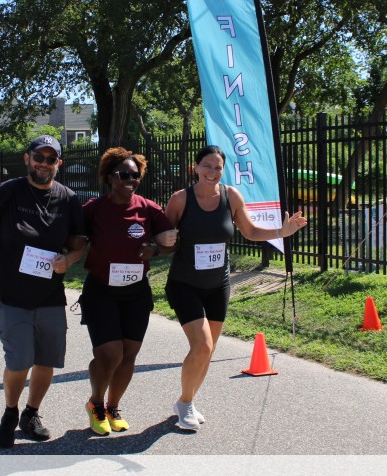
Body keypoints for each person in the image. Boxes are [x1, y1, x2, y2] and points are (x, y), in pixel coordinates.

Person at [164, 145, 307, 430]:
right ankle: (185, 402)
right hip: (184, 284)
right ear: (196, 167)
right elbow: (163, 238)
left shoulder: (231, 196)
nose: (212, 172)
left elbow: (250, 231)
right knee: (202, 345)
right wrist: (164, 240)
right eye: (207, 166)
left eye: (218, 167)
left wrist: (282, 232)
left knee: (209, 349)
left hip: (218, 285)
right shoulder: (180, 199)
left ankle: (188, 401)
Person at [0, 135, 86, 449]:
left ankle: (31, 413)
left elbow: (79, 243)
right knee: (19, 361)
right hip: (11, 294)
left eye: (50, 159)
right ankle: (10, 412)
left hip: (50, 295)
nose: (44, 164)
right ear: (27, 158)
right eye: (38, 157)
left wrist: (68, 260)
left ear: (59, 164)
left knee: (46, 360)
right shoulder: (8, 192)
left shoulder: (68, 198)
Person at [79, 147, 178, 435]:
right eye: (124, 175)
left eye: (135, 175)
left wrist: (155, 250)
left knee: (129, 355)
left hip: (136, 292)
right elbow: (73, 237)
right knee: (110, 354)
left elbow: (172, 243)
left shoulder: (149, 209)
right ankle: (96, 403)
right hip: (101, 291)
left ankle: (113, 406)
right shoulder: (94, 209)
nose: (130, 180)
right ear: (109, 177)